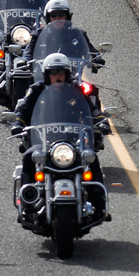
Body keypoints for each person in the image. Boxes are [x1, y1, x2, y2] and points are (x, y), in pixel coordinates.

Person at [12, 53, 109, 211]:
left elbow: (92, 109)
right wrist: (18, 123)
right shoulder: (36, 90)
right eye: (53, 73)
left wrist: (101, 120)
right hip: (44, 141)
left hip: (72, 141)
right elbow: (23, 109)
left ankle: (99, 200)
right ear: (46, 75)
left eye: (62, 73)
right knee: (29, 156)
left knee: (91, 156)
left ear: (67, 74)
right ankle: (28, 199)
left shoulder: (76, 91)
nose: (57, 76)